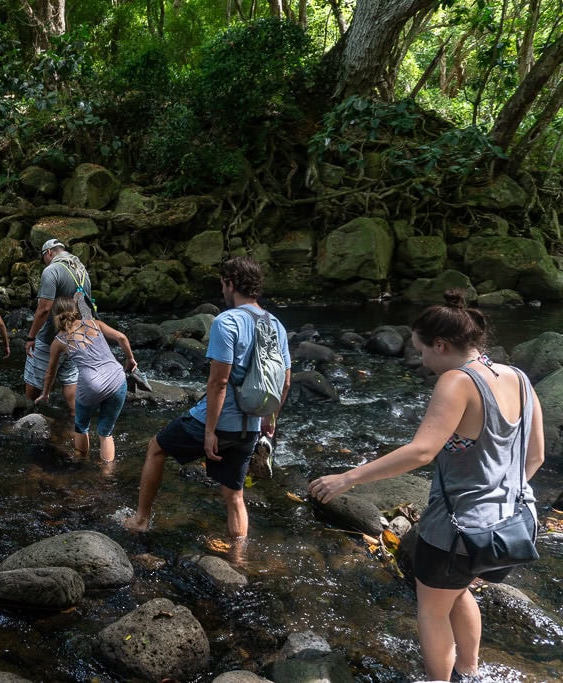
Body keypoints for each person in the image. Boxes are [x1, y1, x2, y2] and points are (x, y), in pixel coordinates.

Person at [307, 291, 544, 682]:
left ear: (441, 344)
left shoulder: (456, 382)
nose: (423, 361)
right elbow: (533, 456)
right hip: (511, 524)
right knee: (458, 592)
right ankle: (468, 673)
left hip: (459, 528)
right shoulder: (518, 377)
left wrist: (348, 477)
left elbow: (421, 452)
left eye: (422, 351)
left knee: (432, 608)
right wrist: (499, 498)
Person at [124, 255, 291, 540]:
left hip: (218, 420)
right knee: (234, 494)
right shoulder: (276, 324)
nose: (223, 291)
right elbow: (285, 381)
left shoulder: (227, 322)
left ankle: (140, 520)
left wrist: (210, 432)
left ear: (230, 283)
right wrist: (268, 418)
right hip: (251, 423)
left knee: (156, 448)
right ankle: (238, 558)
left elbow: (218, 382)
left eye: (223, 284)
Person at [36, 296, 137, 463]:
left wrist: (45, 393)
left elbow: (50, 372)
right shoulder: (94, 323)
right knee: (106, 432)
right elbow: (122, 338)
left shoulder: (59, 341)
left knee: (81, 426)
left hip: (92, 385)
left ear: (55, 315)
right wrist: (130, 359)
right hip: (117, 378)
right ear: (75, 311)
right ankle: (107, 475)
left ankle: (81, 463)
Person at [23, 238, 93, 416]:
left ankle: (27, 416)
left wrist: (31, 337)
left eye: (43, 258)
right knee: (70, 379)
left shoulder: (52, 270)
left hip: (50, 337)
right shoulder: (81, 270)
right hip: (76, 335)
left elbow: (44, 308)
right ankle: (75, 426)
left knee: (35, 378)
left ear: (48, 253)